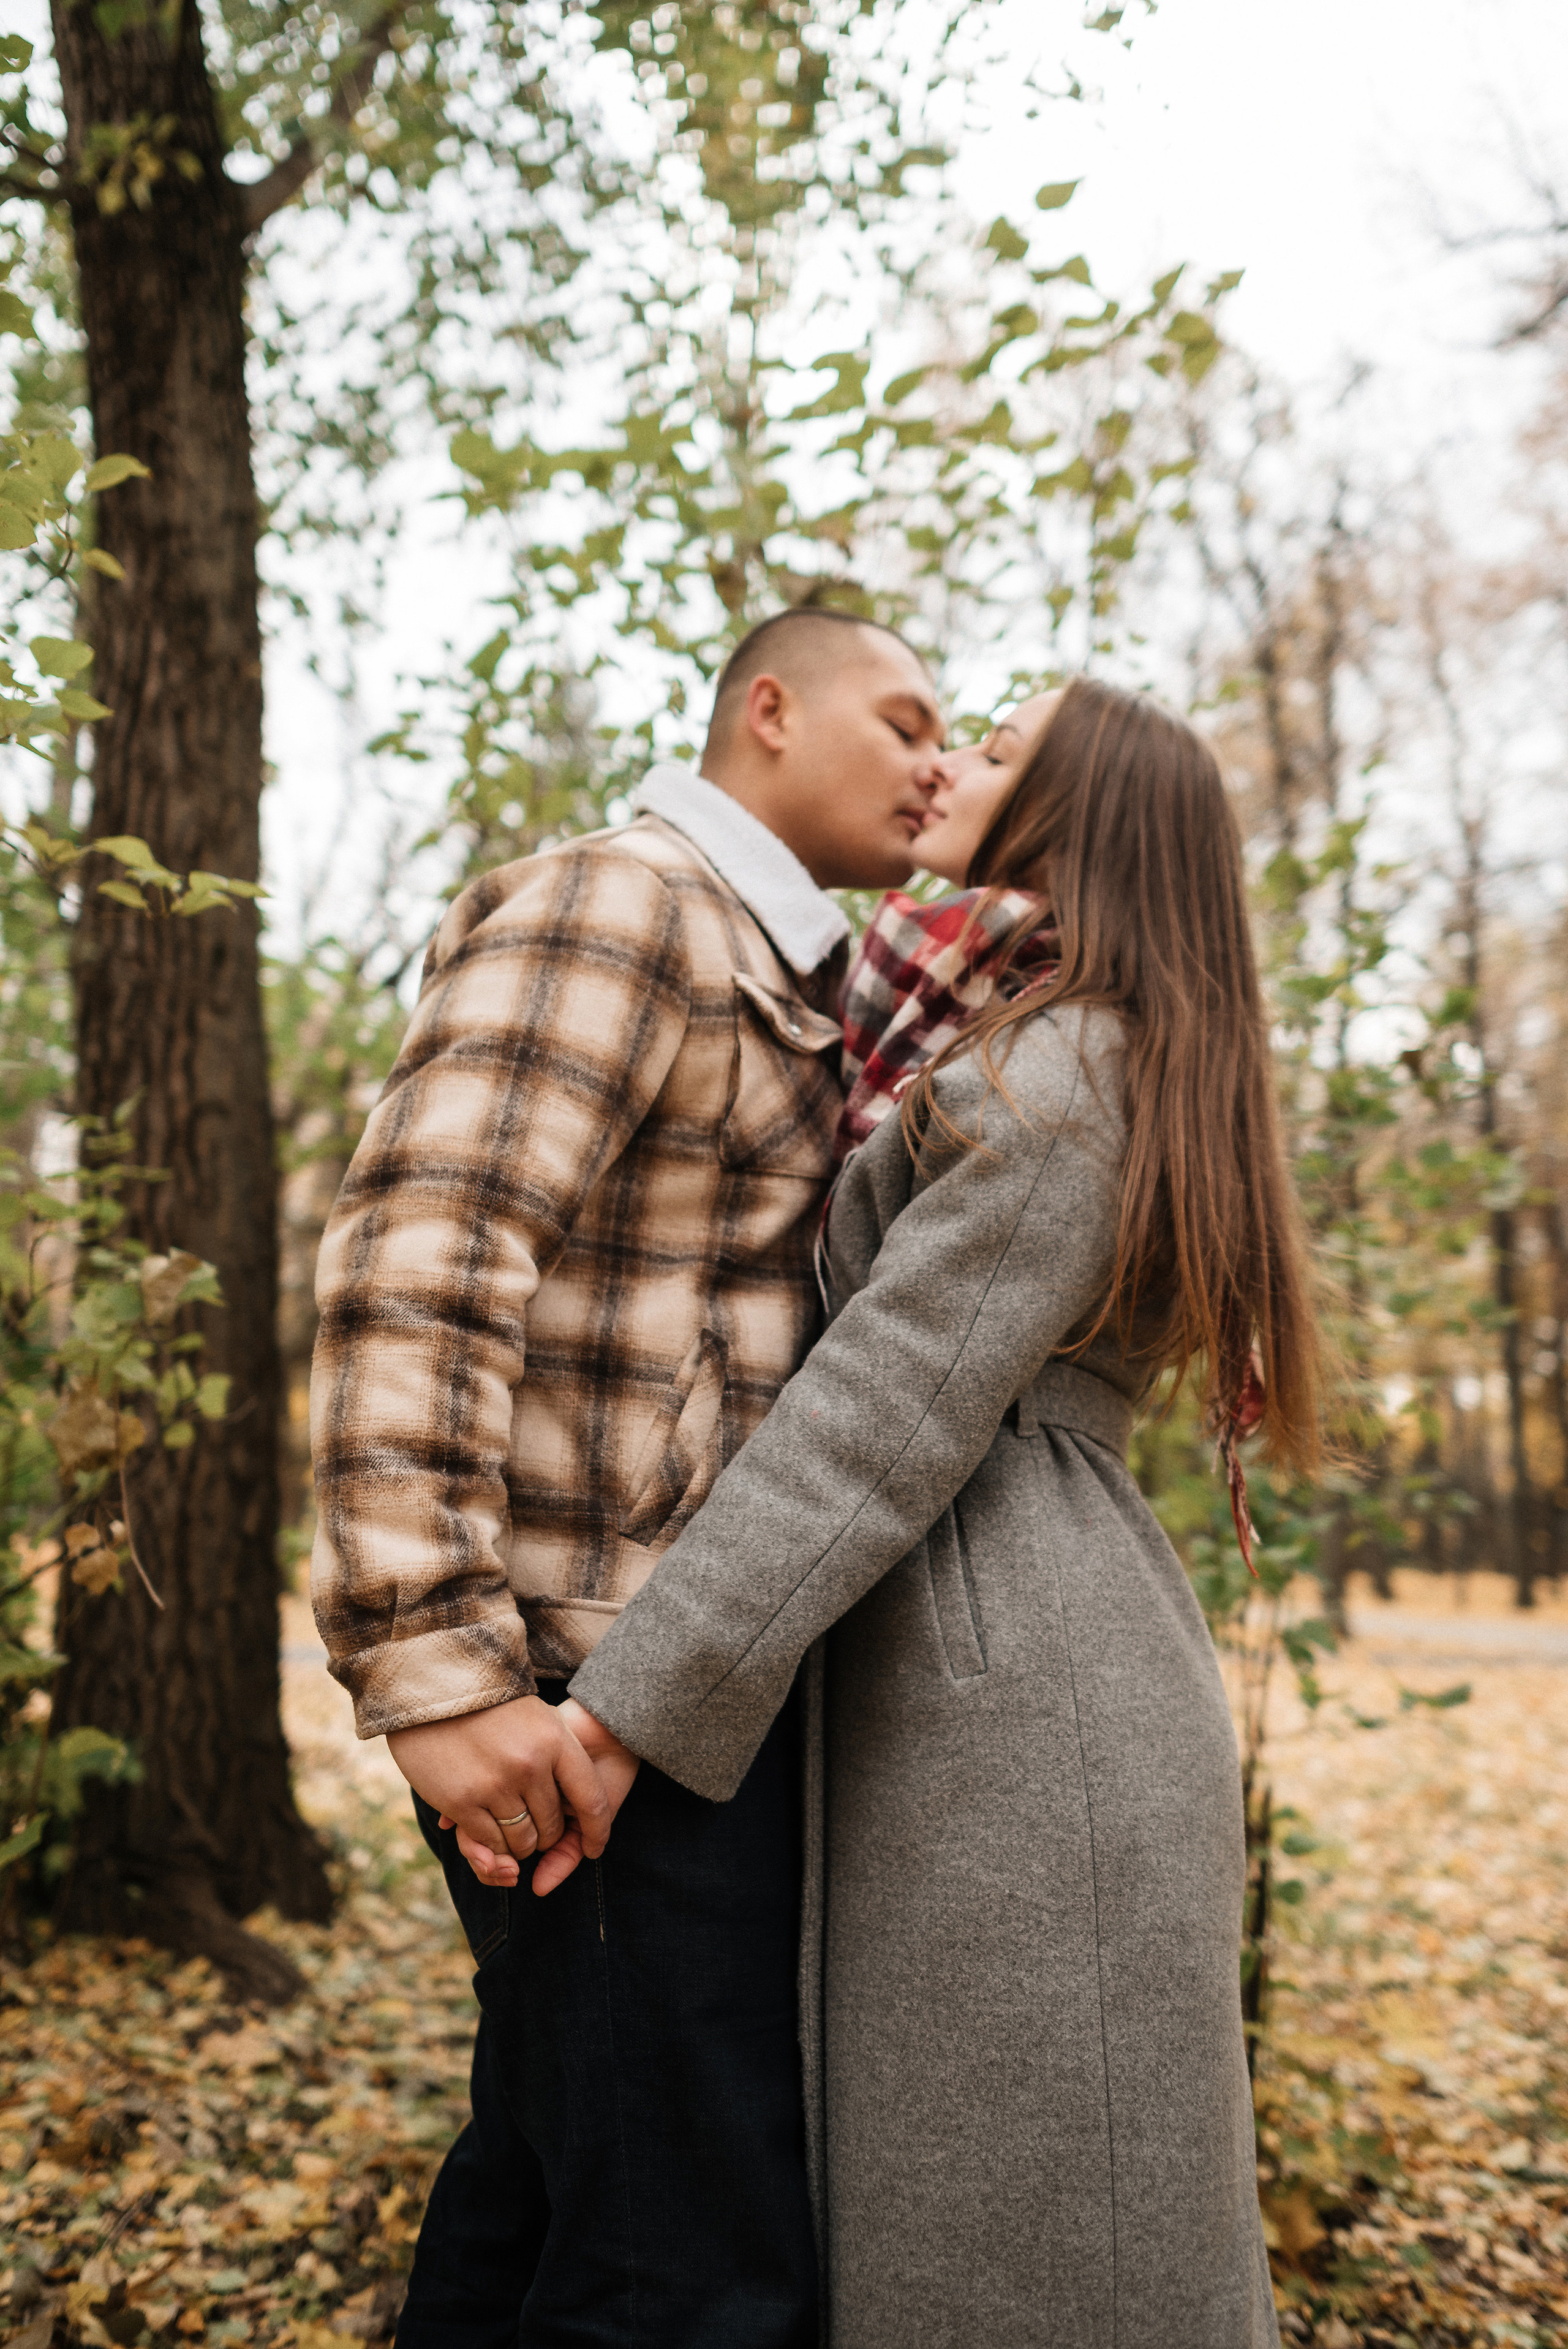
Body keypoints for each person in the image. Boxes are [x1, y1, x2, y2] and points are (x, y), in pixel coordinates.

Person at [480, 676, 1321, 2347]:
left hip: (1018, 1675)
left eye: (1001, 753)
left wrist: (627, 1704)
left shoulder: (1066, 1066)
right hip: (987, 1632)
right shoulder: (1019, 1034)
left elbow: (880, 1413)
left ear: (1082, 821)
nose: (954, 762)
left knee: (1043, 2231)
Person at [307, 606, 948, 2348]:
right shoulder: (630, 900)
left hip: (667, 1693)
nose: (937, 762)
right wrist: (438, 1668)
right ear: (767, 710)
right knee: (686, 2273)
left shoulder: (790, 973)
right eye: (901, 721)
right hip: (575, 1697)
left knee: (554, 2196)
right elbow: (419, 1258)